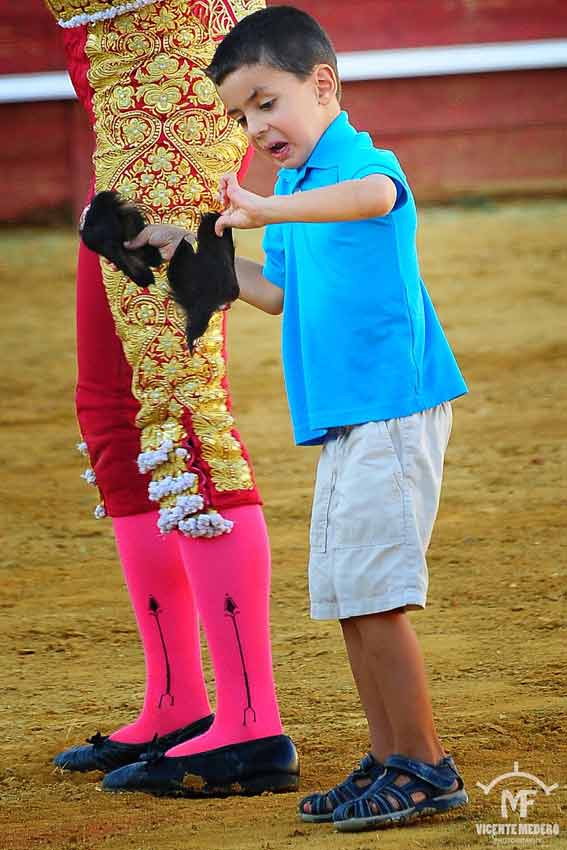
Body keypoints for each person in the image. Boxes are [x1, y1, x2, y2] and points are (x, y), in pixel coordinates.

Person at [118, 4, 471, 829]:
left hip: (391, 407)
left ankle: (424, 763)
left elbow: (377, 196)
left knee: (375, 596)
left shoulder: (358, 164)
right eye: (240, 115)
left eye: (266, 101)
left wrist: (268, 212)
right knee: (352, 594)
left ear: (322, 84)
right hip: (350, 416)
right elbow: (278, 295)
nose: (255, 126)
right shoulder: (291, 186)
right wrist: (187, 252)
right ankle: (390, 757)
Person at [41, 0, 298, 796]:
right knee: (114, 408)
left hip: (166, 77)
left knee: (179, 401)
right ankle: (179, 701)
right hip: (122, 95)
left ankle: (252, 724)